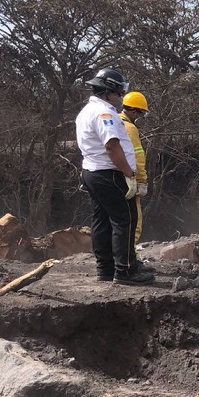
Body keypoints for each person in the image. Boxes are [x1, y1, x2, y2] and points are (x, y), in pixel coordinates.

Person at [76, 68, 154, 286]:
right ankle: (126, 271)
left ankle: (105, 269)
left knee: (101, 220)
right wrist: (129, 174)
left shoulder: (86, 111)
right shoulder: (105, 113)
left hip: (92, 171)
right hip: (109, 173)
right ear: (108, 91)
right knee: (125, 219)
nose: (120, 98)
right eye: (119, 93)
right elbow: (111, 145)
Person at [119, 91, 150, 244]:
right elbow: (138, 156)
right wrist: (142, 180)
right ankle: (131, 259)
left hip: (111, 178)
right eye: (140, 113)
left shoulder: (113, 121)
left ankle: (117, 259)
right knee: (134, 222)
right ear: (132, 110)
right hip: (128, 179)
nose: (141, 117)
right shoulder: (129, 128)